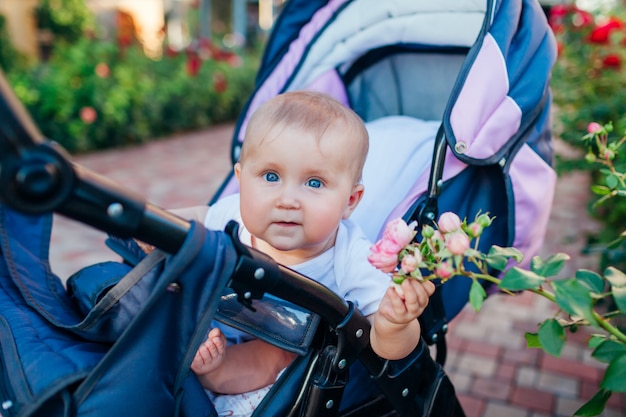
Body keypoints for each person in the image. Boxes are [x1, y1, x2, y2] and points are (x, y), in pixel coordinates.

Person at [171, 90, 436, 416]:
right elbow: (199, 217)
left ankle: (216, 373)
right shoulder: (234, 218)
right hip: (209, 328)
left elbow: (389, 350)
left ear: (350, 201)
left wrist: (396, 323)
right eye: (271, 176)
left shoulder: (350, 256)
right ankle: (207, 369)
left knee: (277, 355)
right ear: (241, 181)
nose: (287, 199)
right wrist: (158, 227)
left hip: (278, 367)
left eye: (313, 183)